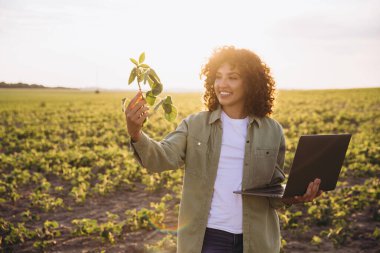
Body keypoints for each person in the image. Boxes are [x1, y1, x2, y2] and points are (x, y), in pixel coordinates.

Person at [125, 46, 322, 253]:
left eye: (233, 77)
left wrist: (295, 196)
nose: (222, 84)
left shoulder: (272, 130)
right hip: (208, 240)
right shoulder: (195, 124)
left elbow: (272, 193)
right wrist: (136, 133)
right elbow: (161, 158)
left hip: (256, 242)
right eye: (218, 77)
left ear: (251, 83)